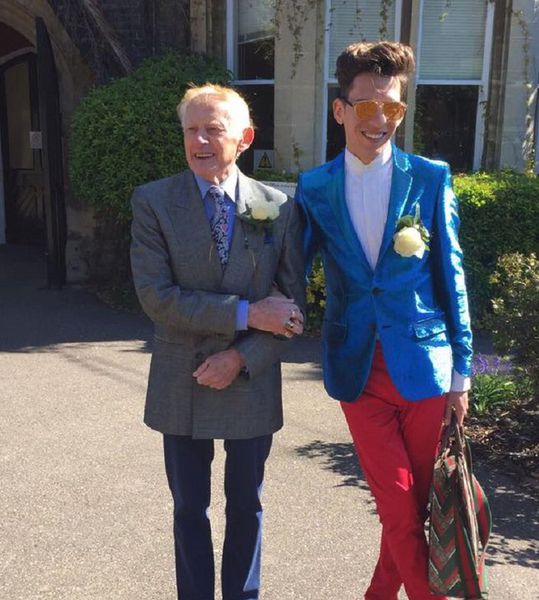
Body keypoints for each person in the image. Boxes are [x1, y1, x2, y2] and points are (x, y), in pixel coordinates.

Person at [295, 42, 473, 600]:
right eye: (367, 106)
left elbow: (452, 276)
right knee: (397, 506)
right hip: (358, 370)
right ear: (340, 109)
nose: (379, 119)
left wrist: (463, 373)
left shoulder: (431, 177)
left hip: (425, 367)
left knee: (414, 507)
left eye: (392, 107)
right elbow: (288, 269)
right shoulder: (314, 187)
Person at [130, 83, 305, 600]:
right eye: (191, 130)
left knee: (247, 505)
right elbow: (157, 297)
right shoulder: (154, 202)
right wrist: (248, 314)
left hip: (251, 377)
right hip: (182, 378)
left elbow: (292, 312)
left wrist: (242, 357)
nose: (200, 141)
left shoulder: (278, 206)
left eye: (213, 129)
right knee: (189, 508)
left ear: (244, 138)